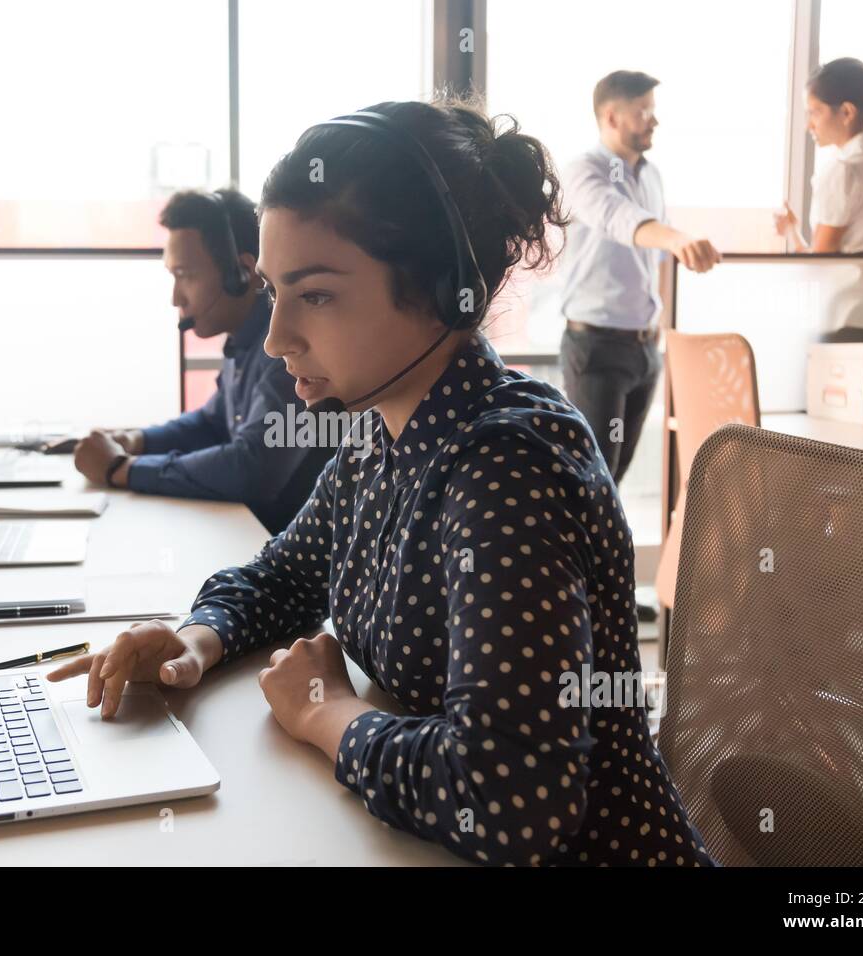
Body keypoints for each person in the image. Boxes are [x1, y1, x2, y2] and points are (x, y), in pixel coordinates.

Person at [48, 98, 715, 867]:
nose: (276, 336)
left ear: (441, 287)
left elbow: (511, 803)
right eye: (274, 292)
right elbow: (284, 576)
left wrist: (328, 715)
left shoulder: (510, 466)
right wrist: (196, 639)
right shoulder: (377, 434)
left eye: (317, 295)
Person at [70, 188, 336, 534]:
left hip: (287, 563)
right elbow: (211, 422)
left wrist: (123, 469)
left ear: (242, 273)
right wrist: (137, 439)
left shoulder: (286, 353)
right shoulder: (243, 345)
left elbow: (253, 467)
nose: (176, 297)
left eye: (187, 275)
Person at [558, 70, 721, 482]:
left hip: (645, 348)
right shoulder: (583, 170)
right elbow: (619, 218)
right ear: (611, 117)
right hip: (597, 346)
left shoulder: (651, 175)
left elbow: (656, 255)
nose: (654, 120)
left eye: (653, 110)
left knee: (618, 477)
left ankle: (604, 548)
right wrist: (676, 238)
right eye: (643, 111)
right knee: (591, 479)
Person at [775, 58, 863, 343]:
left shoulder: (842, 170)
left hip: (843, 317)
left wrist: (792, 233)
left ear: (847, 112)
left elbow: (822, 261)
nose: (808, 125)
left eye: (815, 111)